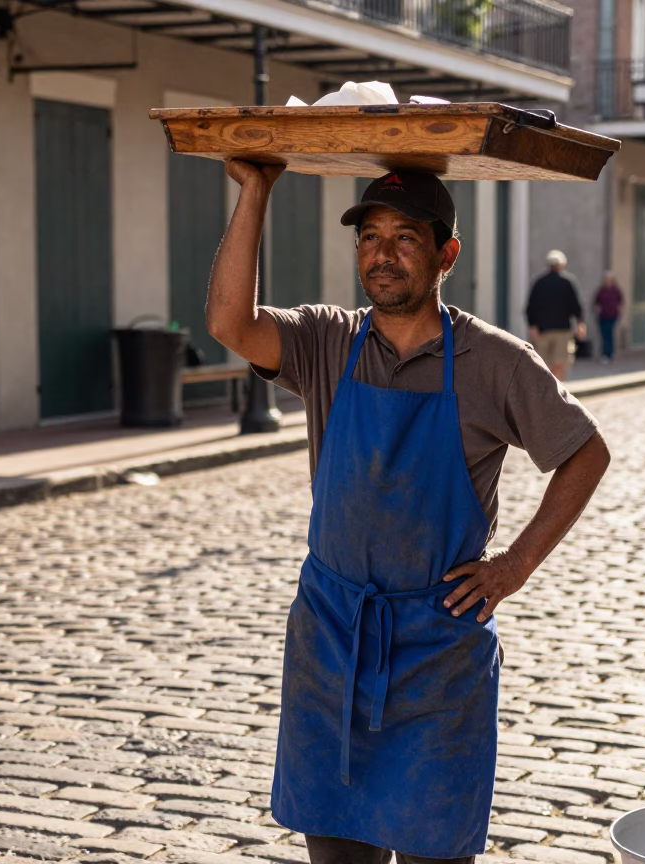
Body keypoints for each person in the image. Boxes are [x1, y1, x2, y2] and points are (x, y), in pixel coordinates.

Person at [205, 163, 611, 864]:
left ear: (446, 253)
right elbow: (229, 322)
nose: (381, 254)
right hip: (331, 640)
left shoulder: (495, 362)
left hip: (436, 653)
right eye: (369, 237)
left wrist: (514, 565)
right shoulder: (328, 341)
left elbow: (586, 453)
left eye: (404, 238)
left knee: (435, 852)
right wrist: (256, 191)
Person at [525, 250, 586, 381]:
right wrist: (580, 324)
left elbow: (530, 307)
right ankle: (556, 390)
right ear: (562, 265)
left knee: (542, 363)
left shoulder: (539, 282)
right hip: (562, 329)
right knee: (560, 362)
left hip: (543, 330)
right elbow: (576, 306)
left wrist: (532, 326)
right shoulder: (567, 281)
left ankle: (546, 390)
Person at [592, 272, 624, 364]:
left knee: (609, 333)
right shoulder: (601, 291)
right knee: (604, 334)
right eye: (606, 280)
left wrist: (619, 312)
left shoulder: (616, 291)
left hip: (613, 315)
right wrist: (597, 310)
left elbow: (621, 302)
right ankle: (606, 354)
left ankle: (610, 353)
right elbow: (596, 302)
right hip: (603, 316)